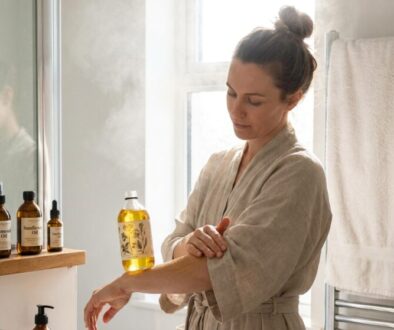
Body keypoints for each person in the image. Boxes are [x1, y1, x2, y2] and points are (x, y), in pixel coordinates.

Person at [84, 6, 332, 330]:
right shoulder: (218, 164)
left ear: (293, 99)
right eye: (231, 93)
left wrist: (126, 283)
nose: (236, 110)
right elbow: (174, 245)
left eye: (253, 101)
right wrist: (189, 246)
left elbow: (219, 272)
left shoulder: (299, 174)